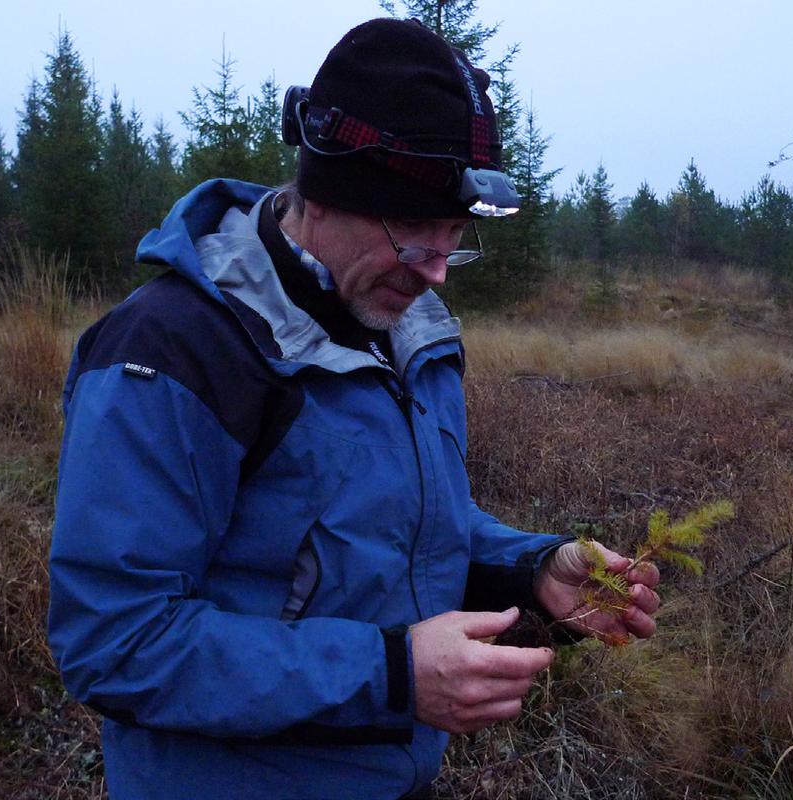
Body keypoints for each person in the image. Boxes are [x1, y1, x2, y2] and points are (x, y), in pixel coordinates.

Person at [48, 17, 660, 800]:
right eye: (413, 232)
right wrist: (393, 675)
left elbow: (409, 525)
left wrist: (532, 572)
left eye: (455, 237)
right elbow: (116, 639)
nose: (436, 271)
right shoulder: (173, 349)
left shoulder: (409, 331)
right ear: (329, 193)